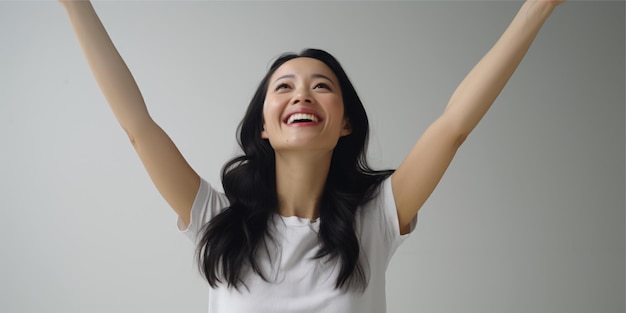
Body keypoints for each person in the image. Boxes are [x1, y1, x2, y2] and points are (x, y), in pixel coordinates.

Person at [59, 0, 565, 312]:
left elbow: (453, 126)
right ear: (264, 123)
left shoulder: (375, 222)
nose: (302, 95)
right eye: (284, 87)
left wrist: (538, 6)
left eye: (321, 86)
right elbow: (137, 126)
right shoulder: (216, 220)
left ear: (345, 123)